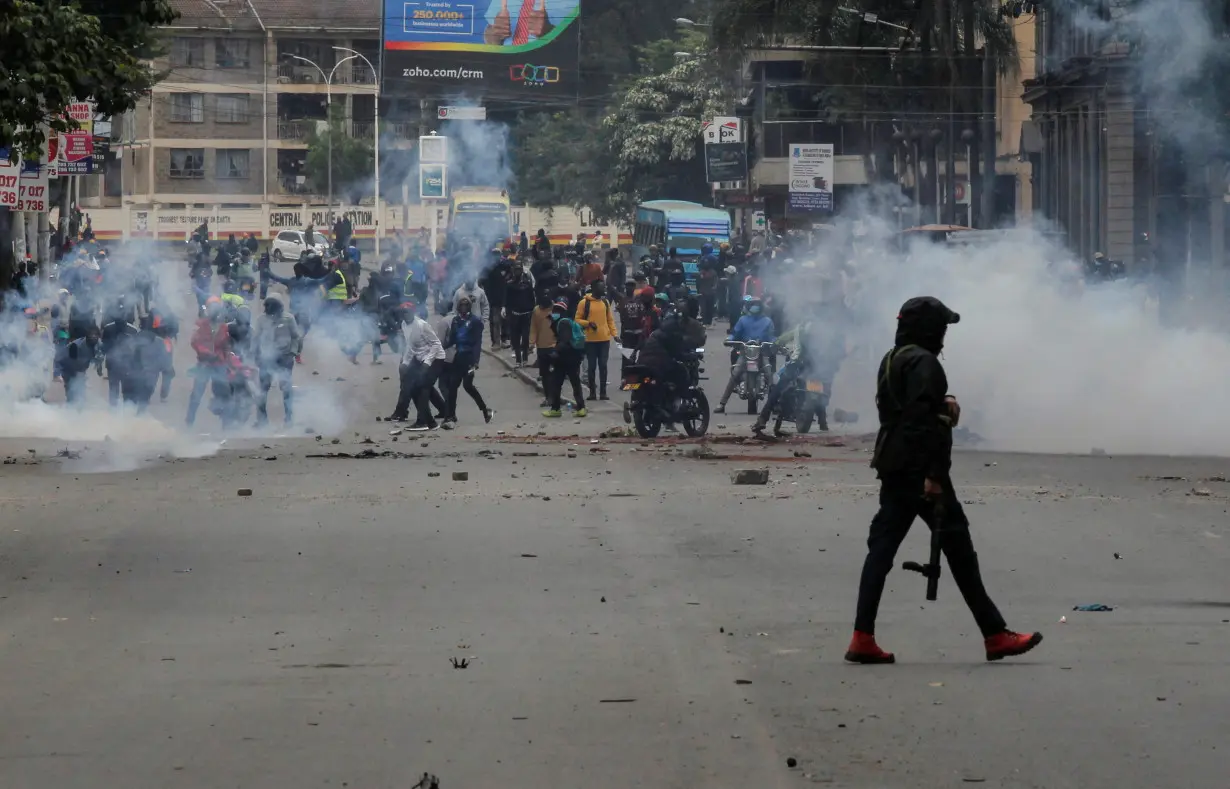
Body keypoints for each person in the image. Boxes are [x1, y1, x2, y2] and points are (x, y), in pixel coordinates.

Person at [846, 296, 1043, 664]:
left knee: (882, 550)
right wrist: (934, 476)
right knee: (960, 552)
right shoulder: (926, 364)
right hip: (919, 470)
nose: (944, 337)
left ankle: (862, 636)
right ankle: (996, 635)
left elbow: (905, 409)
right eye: (942, 328)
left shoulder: (894, 357)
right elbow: (925, 427)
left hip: (892, 463)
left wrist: (941, 403)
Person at [715, 297, 776, 414]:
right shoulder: (743, 320)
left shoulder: (767, 321)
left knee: (769, 375)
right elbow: (735, 333)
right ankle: (722, 404)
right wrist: (729, 339)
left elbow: (771, 336)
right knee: (735, 373)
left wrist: (775, 342)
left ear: (761, 307)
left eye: (757, 304)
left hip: (762, 352)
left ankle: (775, 404)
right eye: (753, 304)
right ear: (748, 307)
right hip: (745, 352)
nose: (755, 306)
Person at [389, 308, 446, 430]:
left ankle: (423, 421)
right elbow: (410, 346)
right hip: (421, 359)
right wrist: (405, 363)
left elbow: (436, 344)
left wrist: (427, 362)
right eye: (403, 312)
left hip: (436, 358)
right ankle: (432, 420)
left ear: (413, 312)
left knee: (422, 387)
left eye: (408, 312)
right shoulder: (404, 325)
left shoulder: (422, 325)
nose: (406, 314)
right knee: (414, 387)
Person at [441, 296, 493, 427]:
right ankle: (450, 416)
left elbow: (477, 343)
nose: (463, 308)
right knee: (452, 387)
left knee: (468, 386)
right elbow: (452, 339)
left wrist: (476, 361)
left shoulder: (475, 322)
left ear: (469, 307)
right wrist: (439, 348)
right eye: (461, 305)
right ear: (458, 307)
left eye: (466, 305)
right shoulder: (456, 321)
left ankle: (485, 410)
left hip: (469, 358)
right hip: (458, 357)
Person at [252, 296, 302, 427]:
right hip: (266, 358)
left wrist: (293, 352)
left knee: (286, 389)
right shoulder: (261, 320)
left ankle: (289, 419)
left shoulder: (288, 318)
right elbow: (256, 339)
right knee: (262, 390)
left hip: (284, 357)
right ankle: (262, 421)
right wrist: (256, 356)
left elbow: (296, 337)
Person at [186, 298, 231, 427]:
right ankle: (189, 421)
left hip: (219, 364)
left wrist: (224, 358)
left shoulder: (224, 327)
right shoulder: (202, 325)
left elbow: (227, 346)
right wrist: (206, 353)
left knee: (223, 393)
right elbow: (195, 342)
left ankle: (226, 422)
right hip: (204, 363)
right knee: (196, 394)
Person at [542, 300, 587, 418]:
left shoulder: (563, 323)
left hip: (567, 358)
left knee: (559, 383)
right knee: (571, 383)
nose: (553, 314)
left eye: (556, 311)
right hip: (571, 357)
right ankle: (577, 408)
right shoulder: (565, 322)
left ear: (561, 312)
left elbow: (565, 341)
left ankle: (559, 409)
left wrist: (555, 351)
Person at [576, 280, 617, 400]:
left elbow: (610, 320)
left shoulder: (605, 302)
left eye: (604, 287)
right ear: (594, 288)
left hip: (604, 339)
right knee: (592, 367)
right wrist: (588, 323)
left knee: (603, 366)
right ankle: (592, 392)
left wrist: (615, 334)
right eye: (601, 287)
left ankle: (603, 392)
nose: (603, 289)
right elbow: (577, 319)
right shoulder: (584, 303)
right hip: (590, 341)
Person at [505, 264, 536, 366]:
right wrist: (507, 312)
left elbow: (532, 299)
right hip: (515, 314)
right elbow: (507, 301)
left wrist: (532, 311)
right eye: (516, 270)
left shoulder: (527, 285)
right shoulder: (510, 285)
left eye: (519, 270)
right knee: (515, 338)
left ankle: (525, 358)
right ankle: (518, 360)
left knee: (526, 337)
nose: (517, 272)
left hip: (526, 314)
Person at [529, 293, 556, 406]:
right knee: (545, 374)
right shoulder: (536, 311)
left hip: (554, 347)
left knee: (554, 374)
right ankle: (548, 397)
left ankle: (554, 397)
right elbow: (534, 327)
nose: (544, 309)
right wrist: (531, 342)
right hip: (542, 347)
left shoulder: (556, 310)